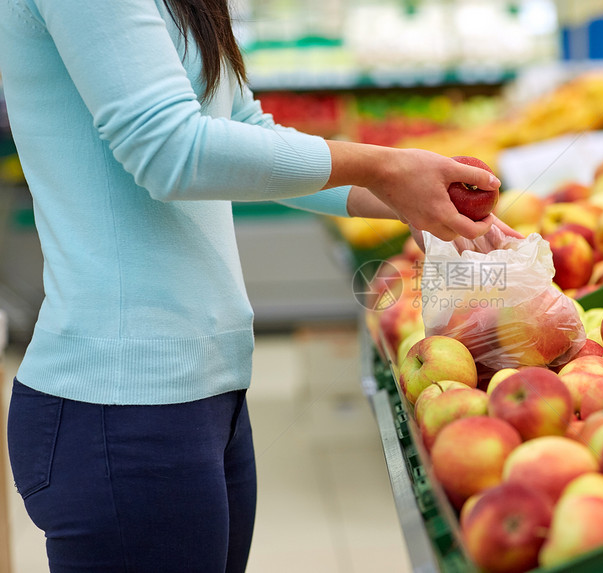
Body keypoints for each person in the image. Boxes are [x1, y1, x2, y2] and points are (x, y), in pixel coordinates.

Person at [0, 1, 511, 571]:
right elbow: (169, 150)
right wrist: (384, 167)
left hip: (206, 388)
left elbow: (243, 130)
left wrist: (405, 197)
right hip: (119, 403)